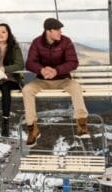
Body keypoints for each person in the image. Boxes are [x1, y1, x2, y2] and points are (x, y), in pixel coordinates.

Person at [21, 17, 89, 146]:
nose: (60, 32)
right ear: (48, 31)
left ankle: (82, 125)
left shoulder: (66, 42)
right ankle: (32, 129)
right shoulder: (36, 43)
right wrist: (41, 70)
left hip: (63, 79)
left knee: (76, 88)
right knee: (27, 90)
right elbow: (30, 63)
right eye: (57, 30)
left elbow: (73, 62)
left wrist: (56, 71)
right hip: (42, 80)